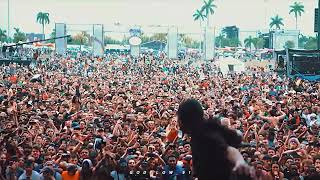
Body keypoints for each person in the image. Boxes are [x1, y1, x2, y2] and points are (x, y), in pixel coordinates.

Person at [177, 99, 255, 180]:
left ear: (185, 119)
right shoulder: (208, 127)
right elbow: (236, 137)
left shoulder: (203, 136)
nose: (178, 122)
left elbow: (227, 150)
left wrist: (239, 161)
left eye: (179, 118)